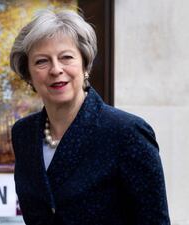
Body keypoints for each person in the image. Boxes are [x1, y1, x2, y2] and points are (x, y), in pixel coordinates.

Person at [9, 9, 170, 225]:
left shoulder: (127, 132)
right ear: (28, 74)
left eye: (66, 57)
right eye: (41, 61)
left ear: (85, 65)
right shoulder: (24, 134)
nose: (56, 69)